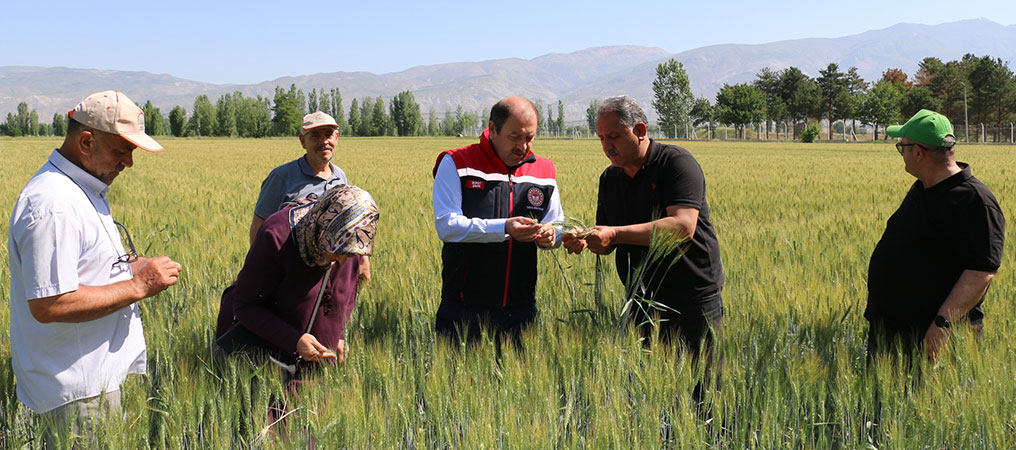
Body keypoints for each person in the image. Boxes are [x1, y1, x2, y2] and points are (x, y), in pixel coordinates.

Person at [7, 90, 182, 445]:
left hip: (93, 383)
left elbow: (86, 266)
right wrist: (141, 285)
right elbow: (50, 303)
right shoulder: (54, 204)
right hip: (77, 392)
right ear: (86, 141)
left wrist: (134, 266)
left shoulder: (84, 188)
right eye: (123, 150)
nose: (129, 163)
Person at [562, 96, 724, 354]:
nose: (607, 146)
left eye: (613, 136)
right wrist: (588, 237)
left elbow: (683, 227)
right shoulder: (610, 178)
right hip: (640, 297)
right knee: (651, 385)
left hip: (691, 297)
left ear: (640, 131)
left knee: (700, 387)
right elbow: (608, 244)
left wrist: (613, 234)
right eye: (601, 138)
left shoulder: (676, 163)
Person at [865, 109, 1005, 362]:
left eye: (902, 147)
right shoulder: (923, 187)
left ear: (918, 152)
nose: (901, 154)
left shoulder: (975, 201)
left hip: (931, 337)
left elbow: (981, 271)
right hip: (891, 333)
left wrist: (942, 324)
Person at [432, 96, 563, 342]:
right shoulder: (456, 162)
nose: (523, 146)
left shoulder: (543, 171)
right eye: (515, 137)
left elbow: (557, 223)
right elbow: (447, 225)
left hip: (521, 308)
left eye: (530, 137)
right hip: (463, 308)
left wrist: (552, 235)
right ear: (492, 129)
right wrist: (504, 227)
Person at [216, 184, 379, 369]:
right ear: (322, 230)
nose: (342, 261)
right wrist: (294, 340)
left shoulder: (353, 242)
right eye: (336, 249)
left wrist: (339, 337)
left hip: (314, 369)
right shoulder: (277, 236)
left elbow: (345, 297)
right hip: (265, 363)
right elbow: (245, 305)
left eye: (350, 254)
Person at [249, 111, 348, 245]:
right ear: (302, 141)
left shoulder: (340, 176)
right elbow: (259, 227)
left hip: (330, 264)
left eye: (328, 134)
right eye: (315, 136)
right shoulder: (281, 177)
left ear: (336, 138)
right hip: (288, 265)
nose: (324, 141)